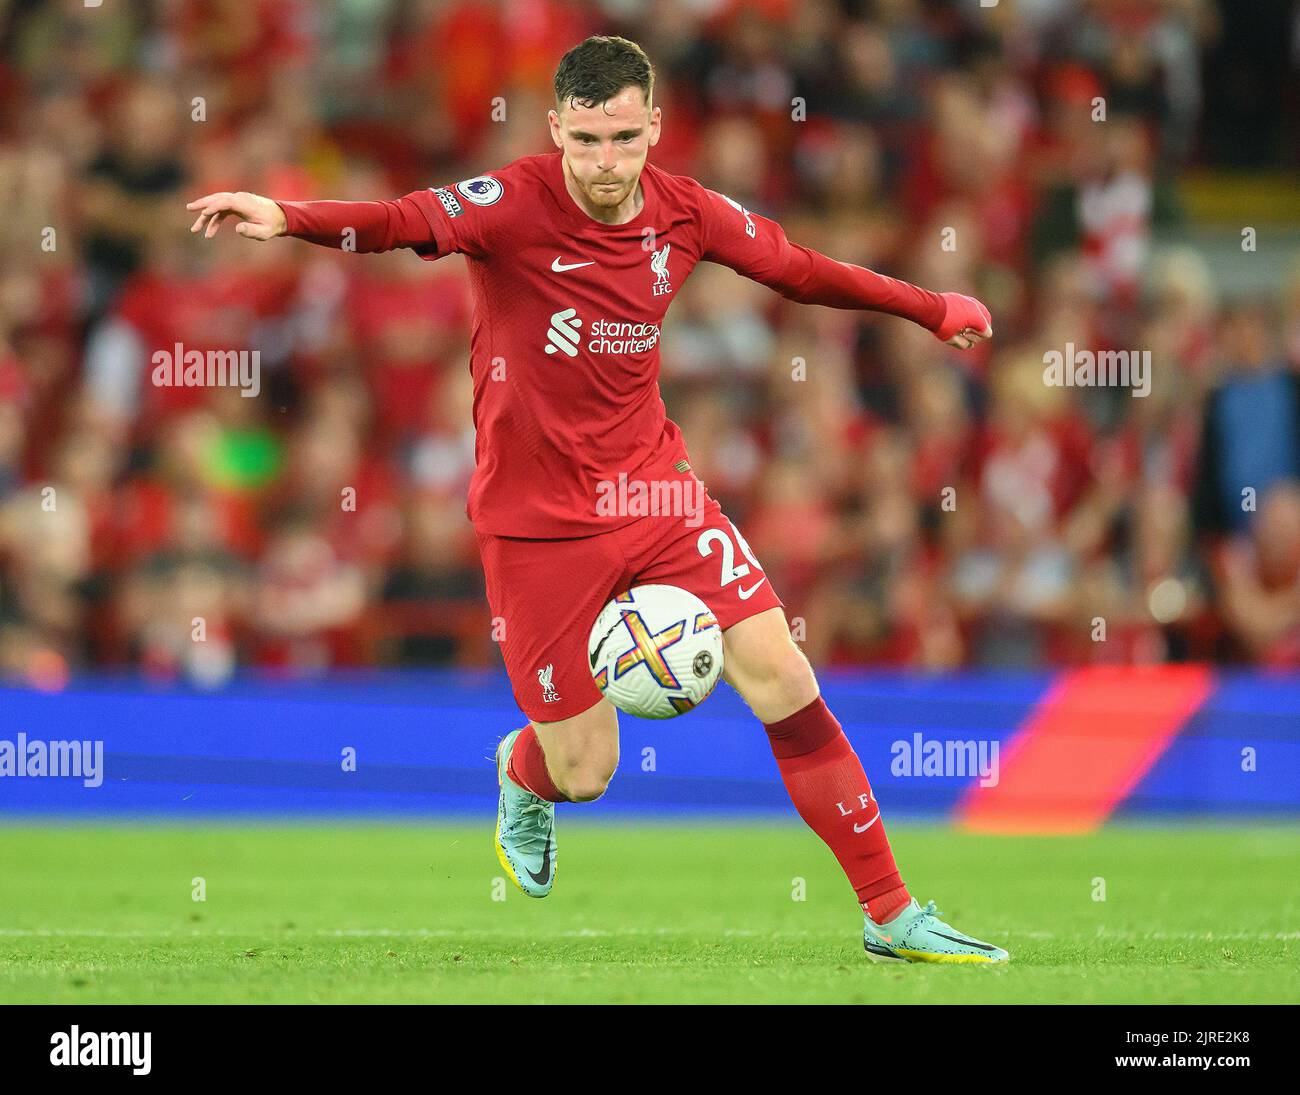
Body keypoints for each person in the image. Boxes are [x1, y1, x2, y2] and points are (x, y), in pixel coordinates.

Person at [187, 35, 1005, 963]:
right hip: (534, 524)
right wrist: (286, 215)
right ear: (556, 131)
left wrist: (930, 307)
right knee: (587, 769)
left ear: (653, 127)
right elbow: (397, 220)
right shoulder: (510, 204)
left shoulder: (686, 212)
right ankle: (522, 768)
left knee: (783, 674)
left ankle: (890, 911)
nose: (605, 163)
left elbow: (802, 269)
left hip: (657, 491)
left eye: (622, 138)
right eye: (586, 140)